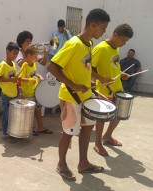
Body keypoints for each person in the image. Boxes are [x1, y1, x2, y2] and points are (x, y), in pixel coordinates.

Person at [47, 8, 110, 181]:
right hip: (70, 96)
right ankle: (61, 163)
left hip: (86, 95)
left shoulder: (89, 44)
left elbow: (86, 67)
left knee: (87, 128)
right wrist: (74, 84)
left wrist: (98, 79)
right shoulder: (73, 44)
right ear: (93, 25)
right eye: (103, 28)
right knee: (69, 132)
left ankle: (83, 162)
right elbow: (52, 66)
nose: (104, 32)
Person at [91, 24, 134, 156]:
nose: (124, 43)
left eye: (126, 41)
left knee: (119, 114)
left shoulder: (115, 48)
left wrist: (121, 74)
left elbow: (112, 66)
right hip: (105, 90)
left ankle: (107, 136)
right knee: (102, 118)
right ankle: (97, 143)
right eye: (123, 40)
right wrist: (101, 78)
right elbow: (87, 68)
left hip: (117, 88)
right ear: (115, 35)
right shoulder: (101, 48)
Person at [18, 45, 52, 134]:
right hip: (28, 93)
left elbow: (34, 74)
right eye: (35, 57)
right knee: (29, 113)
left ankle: (41, 127)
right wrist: (28, 80)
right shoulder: (25, 65)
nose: (36, 58)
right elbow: (19, 78)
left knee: (38, 109)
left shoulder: (34, 64)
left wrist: (39, 76)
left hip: (35, 91)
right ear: (28, 56)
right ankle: (29, 129)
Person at [0, 42, 19, 137]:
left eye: (17, 54)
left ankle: (12, 132)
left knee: (13, 115)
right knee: (6, 115)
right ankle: (5, 133)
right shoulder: (3, 65)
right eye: (14, 53)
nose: (15, 56)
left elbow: (15, 79)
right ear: (7, 52)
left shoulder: (13, 64)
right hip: (6, 94)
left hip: (14, 94)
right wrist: (10, 79)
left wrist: (18, 90)